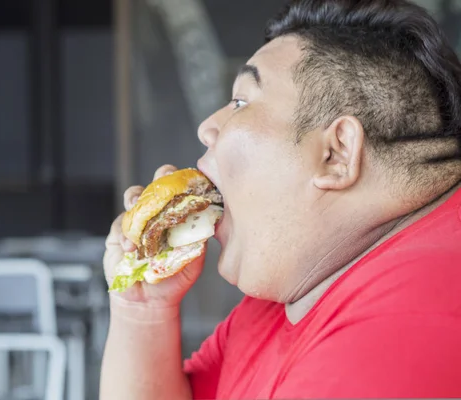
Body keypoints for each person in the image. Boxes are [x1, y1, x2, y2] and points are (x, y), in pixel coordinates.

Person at [100, 0, 461, 398]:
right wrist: (143, 311)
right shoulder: (297, 285)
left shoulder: (400, 334)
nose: (208, 128)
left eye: (240, 102)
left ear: (336, 153)